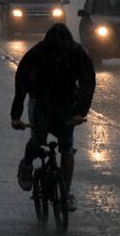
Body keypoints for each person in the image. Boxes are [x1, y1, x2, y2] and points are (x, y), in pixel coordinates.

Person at [10, 23, 96, 212]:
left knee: (67, 147)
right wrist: (16, 116)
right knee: (38, 137)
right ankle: (27, 163)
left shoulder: (77, 54)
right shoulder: (36, 54)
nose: (57, 57)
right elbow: (21, 84)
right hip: (40, 101)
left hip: (65, 103)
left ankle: (65, 193)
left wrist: (80, 112)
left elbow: (88, 83)